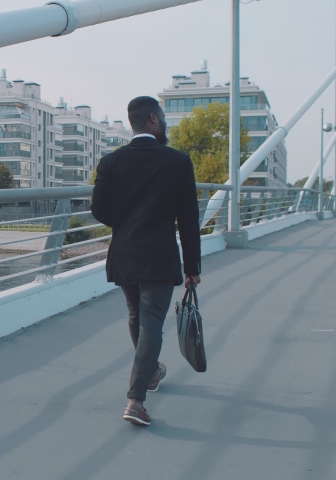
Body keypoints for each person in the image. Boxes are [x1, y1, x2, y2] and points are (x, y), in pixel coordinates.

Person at [91, 96, 201, 427]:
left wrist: (126, 225)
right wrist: (192, 268)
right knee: (151, 320)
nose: (164, 123)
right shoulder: (177, 162)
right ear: (153, 118)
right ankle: (135, 401)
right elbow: (188, 219)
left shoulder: (111, 162)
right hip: (159, 253)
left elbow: (99, 210)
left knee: (136, 315)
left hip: (124, 253)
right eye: (163, 118)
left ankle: (151, 372)